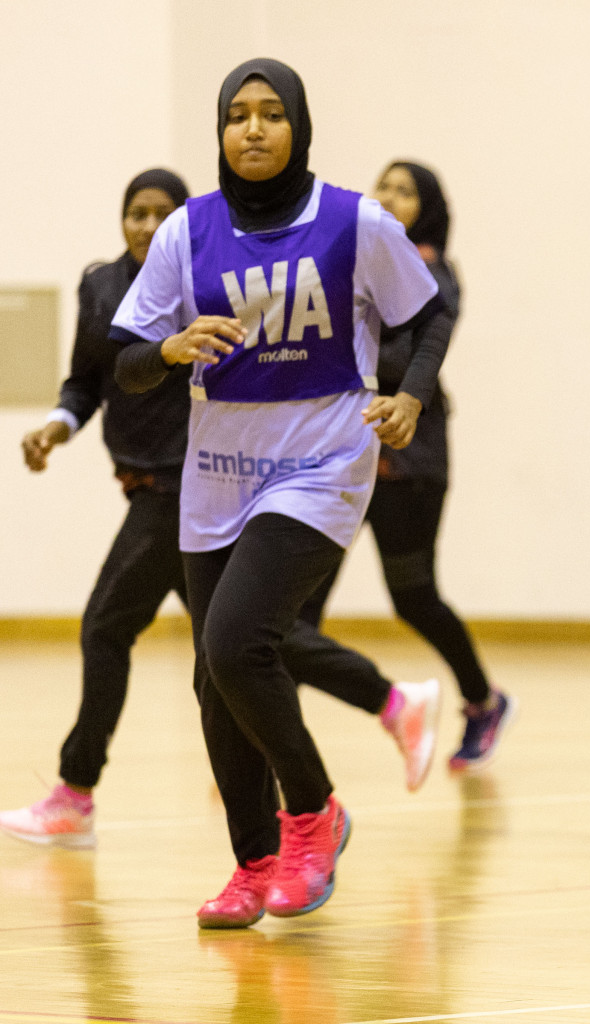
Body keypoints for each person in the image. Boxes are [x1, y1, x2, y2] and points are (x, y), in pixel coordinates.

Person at [0, 170, 439, 851]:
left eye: (160, 214)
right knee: (244, 645)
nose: (147, 227)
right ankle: (390, 704)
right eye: (134, 214)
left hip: (191, 486)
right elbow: (91, 378)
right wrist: (57, 426)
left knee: (113, 628)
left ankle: (76, 791)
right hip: (155, 486)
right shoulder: (103, 288)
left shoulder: (213, 277)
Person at [110, 59, 452, 928]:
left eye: (271, 114)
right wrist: (172, 347)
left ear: (298, 125)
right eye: (237, 116)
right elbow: (126, 362)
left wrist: (409, 393)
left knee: (236, 642)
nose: (253, 129)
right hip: (217, 470)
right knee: (209, 680)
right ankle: (254, 863)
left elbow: (427, 312)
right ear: (220, 133)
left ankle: (314, 812)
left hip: (321, 461)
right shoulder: (187, 232)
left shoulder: (353, 220)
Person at [298, 161, 515, 773]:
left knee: (413, 596)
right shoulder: (357, 266)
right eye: (383, 186)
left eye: (405, 190)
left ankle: (483, 701)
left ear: (428, 209)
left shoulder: (435, 272)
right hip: (344, 454)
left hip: (408, 460)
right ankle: (270, 741)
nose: (389, 196)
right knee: (302, 603)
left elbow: (399, 353)